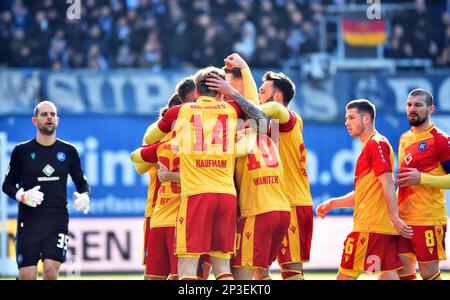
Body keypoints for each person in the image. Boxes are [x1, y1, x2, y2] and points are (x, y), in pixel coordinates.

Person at [142, 66, 261, 280]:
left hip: (196, 195)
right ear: (220, 91)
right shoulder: (232, 110)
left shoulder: (181, 111)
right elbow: (262, 119)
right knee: (223, 268)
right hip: (226, 196)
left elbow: (150, 138)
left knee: (187, 268)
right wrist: (232, 92)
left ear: (196, 92)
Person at [315, 99, 413, 280]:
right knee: (388, 276)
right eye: (346, 118)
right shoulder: (370, 145)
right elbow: (365, 193)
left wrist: (395, 218)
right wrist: (332, 203)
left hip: (370, 228)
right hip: (376, 228)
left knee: (343, 278)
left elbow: (388, 182)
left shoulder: (376, 143)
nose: (346, 122)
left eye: (351, 117)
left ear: (366, 118)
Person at [2, 100, 90, 280]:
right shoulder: (21, 151)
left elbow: (81, 183)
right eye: (44, 114)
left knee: (50, 273)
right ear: (35, 121)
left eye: (52, 115)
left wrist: (84, 196)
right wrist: (22, 195)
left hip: (57, 219)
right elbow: (7, 185)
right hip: (29, 221)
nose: (48, 118)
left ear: (57, 120)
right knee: (27, 276)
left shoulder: (69, 151)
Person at [396, 89, 450, 280]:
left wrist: (422, 178)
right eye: (409, 105)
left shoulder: (440, 140)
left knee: (429, 274)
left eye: (418, 105)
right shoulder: (403, 139)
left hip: (427, 219)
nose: (412, 109)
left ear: (431, 109)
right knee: (401, 273)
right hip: (403, 220)